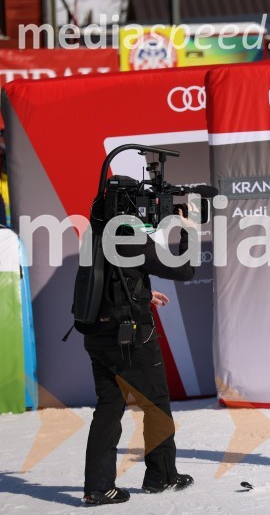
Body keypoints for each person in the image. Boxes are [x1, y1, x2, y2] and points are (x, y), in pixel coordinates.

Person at [74, 178, 198, 505]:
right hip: (128, 337)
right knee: (155, 402)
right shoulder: (127, 236)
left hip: (98, 335)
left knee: (109, 407)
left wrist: (143, 294)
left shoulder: (95, 232)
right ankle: (162, 475)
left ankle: (99, 486)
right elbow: (184, 270)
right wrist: (188, 229)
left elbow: (109, 280)